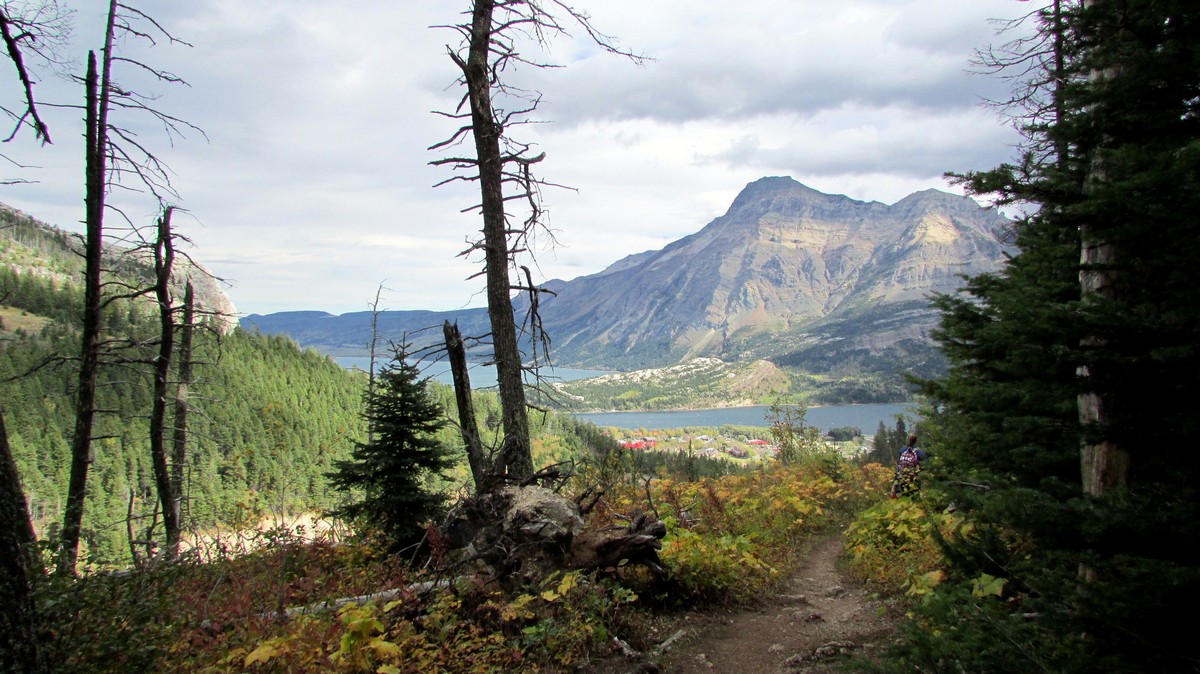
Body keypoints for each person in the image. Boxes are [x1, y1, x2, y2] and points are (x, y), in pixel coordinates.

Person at [890, 433, 925, 498]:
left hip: (901, 477)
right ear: (916, 441)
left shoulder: (902, 451)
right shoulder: (919, 453)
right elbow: (923, 464)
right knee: (913, 495)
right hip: (912, 478)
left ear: (908, 440)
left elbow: (899, 465)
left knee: (900, 496)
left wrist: (896, 479)